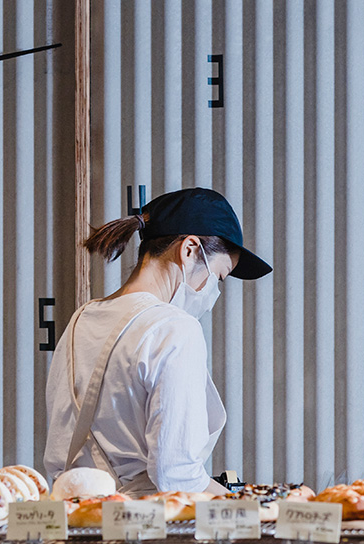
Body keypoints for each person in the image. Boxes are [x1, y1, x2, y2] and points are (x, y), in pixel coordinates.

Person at [44, 188, 271, 495]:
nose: (213, 292)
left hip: (72, 512)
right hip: (142, 519)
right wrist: (248, 506)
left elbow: (59, 450)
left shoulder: (81, 319)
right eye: (219, 277)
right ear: (189, 250)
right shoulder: (174, 328)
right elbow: (177, 475)